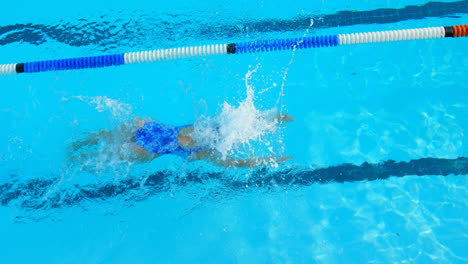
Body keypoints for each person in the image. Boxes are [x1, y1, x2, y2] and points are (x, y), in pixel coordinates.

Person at [68, 113, 294, 168]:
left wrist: (274, 119)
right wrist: (271, 160)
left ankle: (76, 149)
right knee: (103, 157)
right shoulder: (210, 151)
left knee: (107, 138)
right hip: (149, 149)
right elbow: (237, 163)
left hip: (149, 126)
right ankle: (77, 159)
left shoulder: (211, 125)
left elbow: (244, 120)